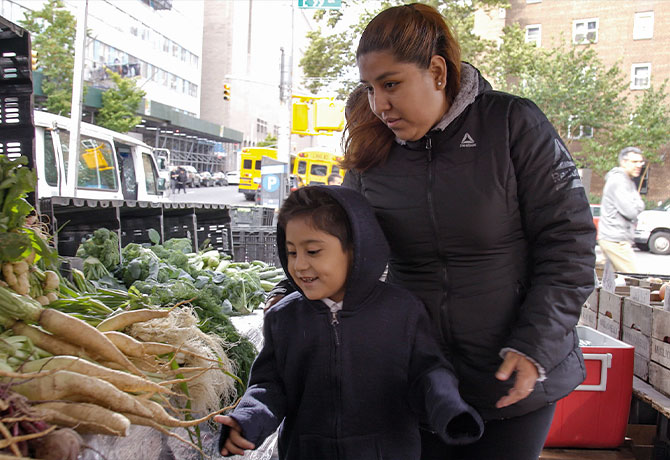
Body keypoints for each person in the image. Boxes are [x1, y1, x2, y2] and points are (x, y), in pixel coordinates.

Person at [267, 4, 597, 460]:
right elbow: (340, 244)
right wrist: (292, 289)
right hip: (410, 378)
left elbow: (570, 245)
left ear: (437, 72)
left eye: (391, 84)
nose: (378, 105)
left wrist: (535, 346)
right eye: (369, 88)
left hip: (511, 379)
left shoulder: (512, 125)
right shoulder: (371, 149)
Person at [216, 186, 484, 460]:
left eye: (313, 251)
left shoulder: (402, 312)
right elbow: (269, 386)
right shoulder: (284, 318)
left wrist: (448, 408)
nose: (298, 265)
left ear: (355, 250)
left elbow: (428, 373)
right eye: (292, 252)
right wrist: (247, 421)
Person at [597, 146, 646, 273]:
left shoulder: (627, 181)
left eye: (641, 162)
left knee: (606, 282)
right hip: (615, 241)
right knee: (637, 278)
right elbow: (631, 211)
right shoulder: (618, 181)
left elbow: (638, 204)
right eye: (634, 162)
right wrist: (639, 205)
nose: (639, 165)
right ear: (624, 162)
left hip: (613, 238)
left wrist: (638, 204)